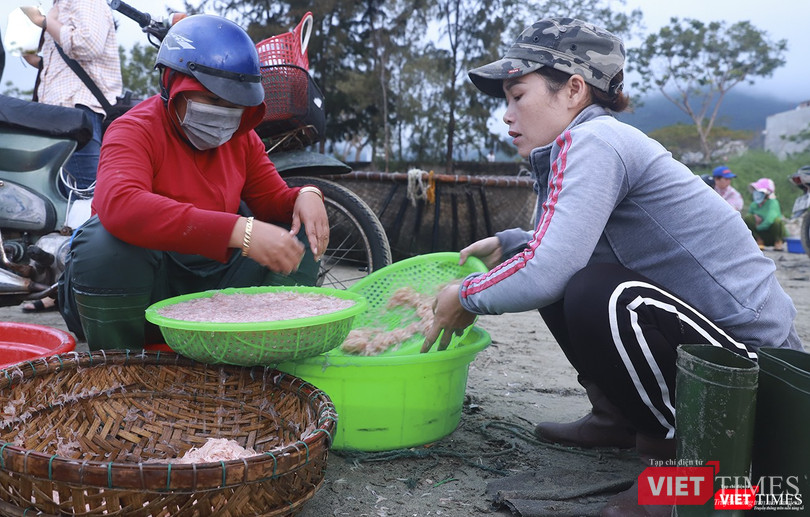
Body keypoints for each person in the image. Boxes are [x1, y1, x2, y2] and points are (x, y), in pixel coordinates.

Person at [422, 17, 803, 517]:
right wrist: (514, 242)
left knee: (597, 292)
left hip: (748, 371)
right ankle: (617, 417)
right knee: (549, 267)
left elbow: (551, 268)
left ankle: (679, 469)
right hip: (708, 350)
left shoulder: (597, 142)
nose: (507, 114)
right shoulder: (583, 144)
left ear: (574, 89)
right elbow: (566, 244)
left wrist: (465, 296)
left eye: (518, 95)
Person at [56, 14, 329, 351]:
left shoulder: (241, 138)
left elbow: (272, 198)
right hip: (147, 283)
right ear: (172, 83)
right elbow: (121, 205)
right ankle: (120, 367)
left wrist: (306, 195)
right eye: (213, 100)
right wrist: (240, 231)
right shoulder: (134, 129)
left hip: (210, 281)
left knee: (299, 229)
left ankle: (269, 350)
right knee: (104, 244)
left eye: (234, 104)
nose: (225, 113)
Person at [19, 0, 122, 313]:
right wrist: (34, 56)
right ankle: (64, 289)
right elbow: (62, 64)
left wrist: (42, 22)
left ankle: (92, 293)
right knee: (68, 210)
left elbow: (86, 45)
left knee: (89, 207)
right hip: (62, 115)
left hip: (78, 112)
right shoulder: (61, 5)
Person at [743, 177, 787, 251]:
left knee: (777, 221)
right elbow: (748, 221)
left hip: (772, 234)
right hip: (761, 235)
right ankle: (759, 241)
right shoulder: (754, 205)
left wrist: (758, 226)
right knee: (748, 218)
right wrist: (754, 218)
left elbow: (770, 219)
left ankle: (778, 242)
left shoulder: (773, 203)